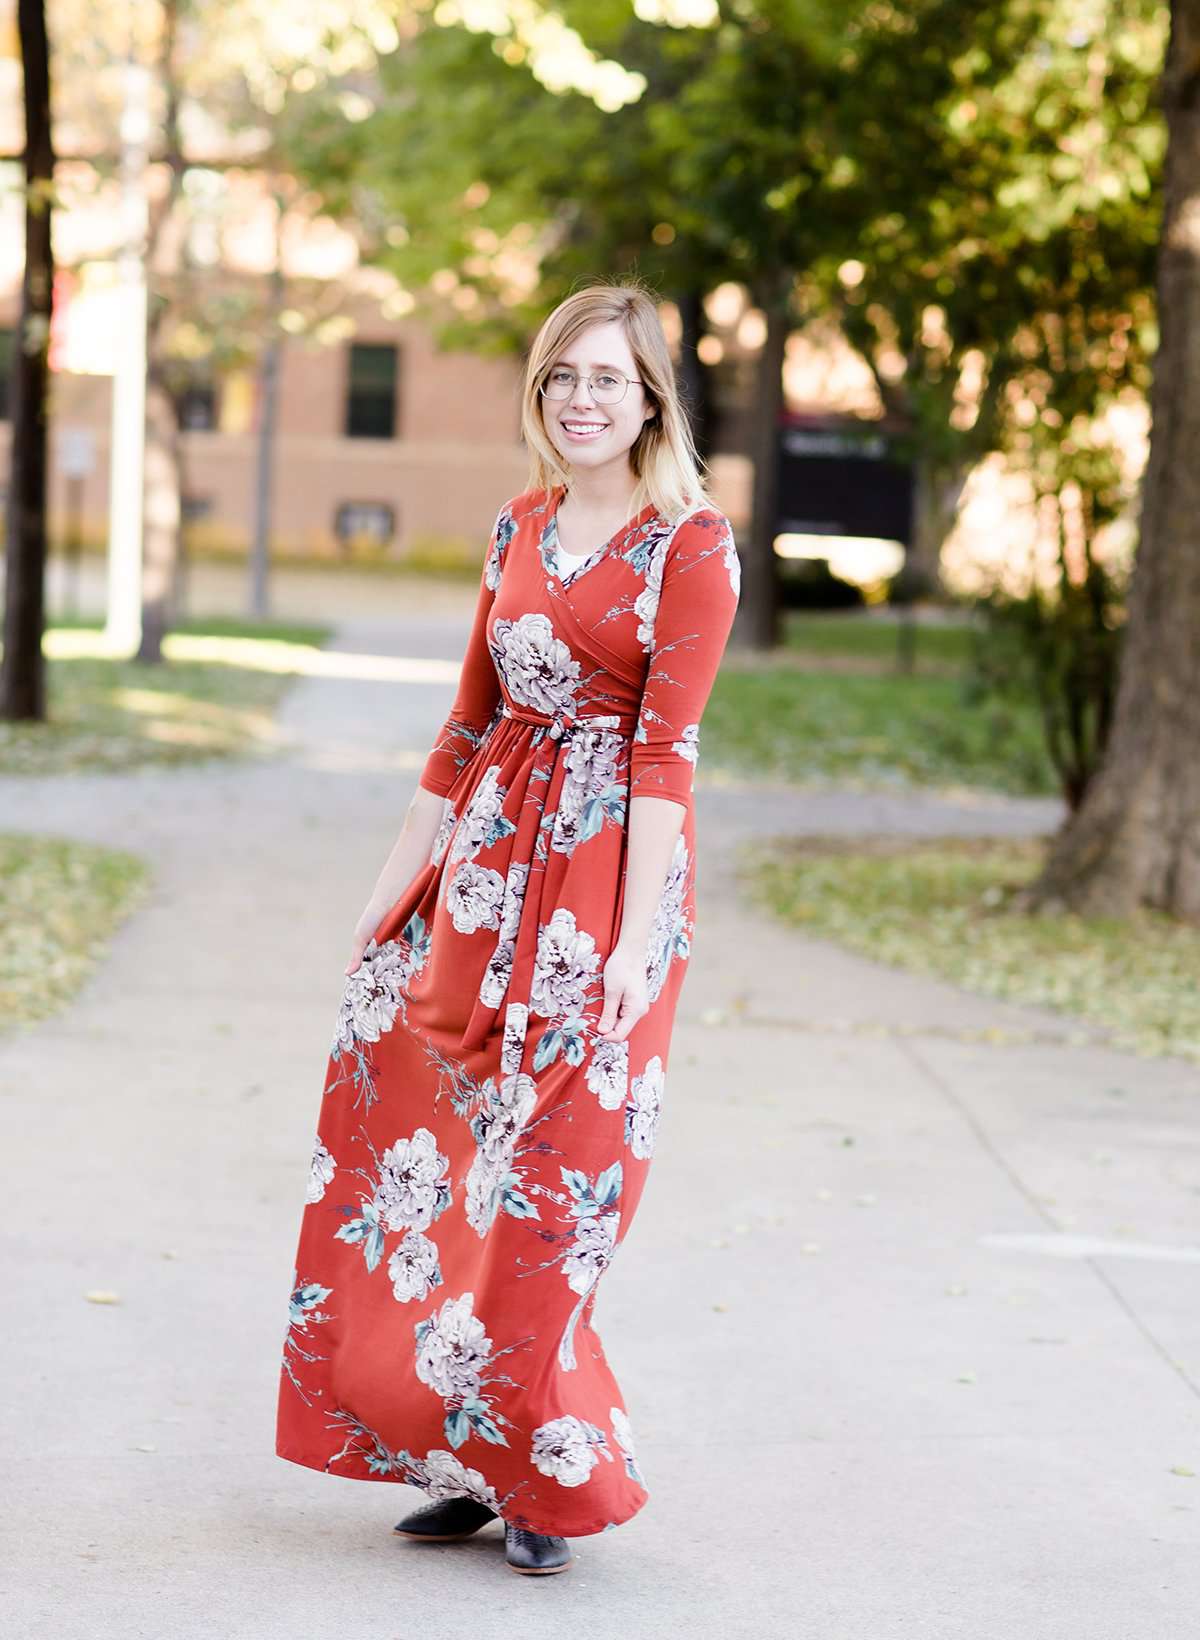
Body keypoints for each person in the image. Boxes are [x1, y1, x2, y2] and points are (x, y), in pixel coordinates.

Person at [275, 279, 741, 1576]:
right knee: (441, 1161)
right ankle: (466, 1455)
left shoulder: (689, 546)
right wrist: (392, 885)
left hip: (601, 886)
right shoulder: (517, 528)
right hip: (486, 876)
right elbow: (466, 723)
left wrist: (640, 942)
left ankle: (545, 1467)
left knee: (557, 1187)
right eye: (561, 379)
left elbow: (665, 758)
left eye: (607, 378)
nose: (583, 401)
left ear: (652, 398)